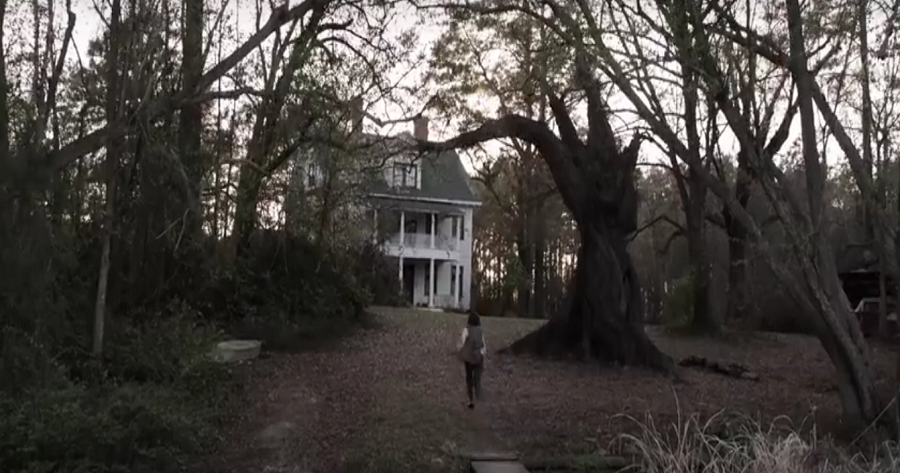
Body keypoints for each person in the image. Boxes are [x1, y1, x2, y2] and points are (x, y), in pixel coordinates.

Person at [457, 312, 486, 409]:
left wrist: (459, 349)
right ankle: (479, 397)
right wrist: (482, 353)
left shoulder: (467, 329)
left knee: (469, 378)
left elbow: (462, 341)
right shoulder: (480, 330)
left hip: (469, 357)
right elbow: (483, 343)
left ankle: (470, 400)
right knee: (477, 378)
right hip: (479, 357)